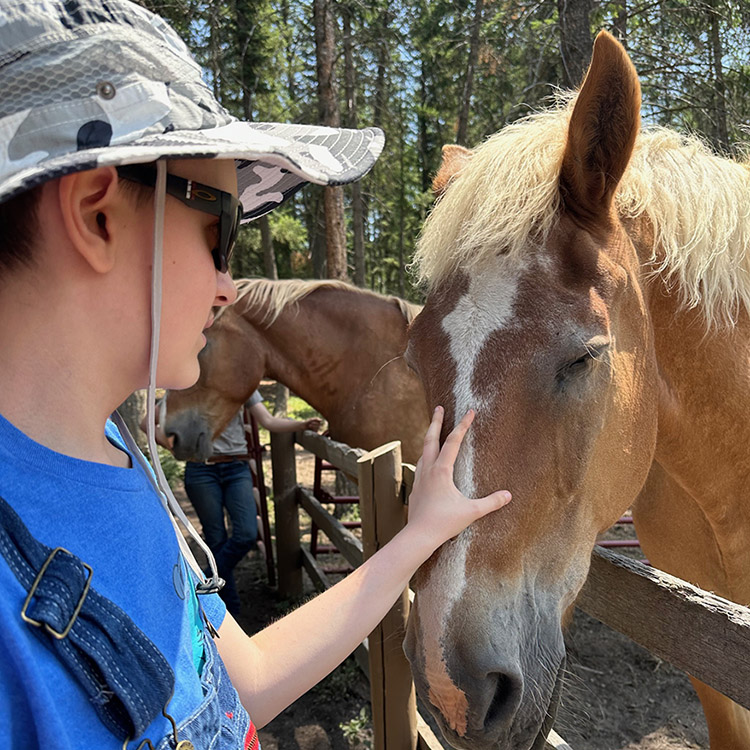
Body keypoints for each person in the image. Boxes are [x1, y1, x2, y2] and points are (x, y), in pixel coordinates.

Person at [0, 3, 512, 750]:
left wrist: (418, 533)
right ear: (97, 216)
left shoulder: (118, 455)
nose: (226, 285)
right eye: (220, 233)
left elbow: (245, 681)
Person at [147, 392, 323, 615]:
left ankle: (203, 580)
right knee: (216, 539)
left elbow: (267, 420)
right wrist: (173, 447)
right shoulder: (188, 386)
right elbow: (147, 424)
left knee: (246, 533)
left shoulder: (237, 379)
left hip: (236, 467)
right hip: (201, 470)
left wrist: (302, 423)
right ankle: (231, 611)